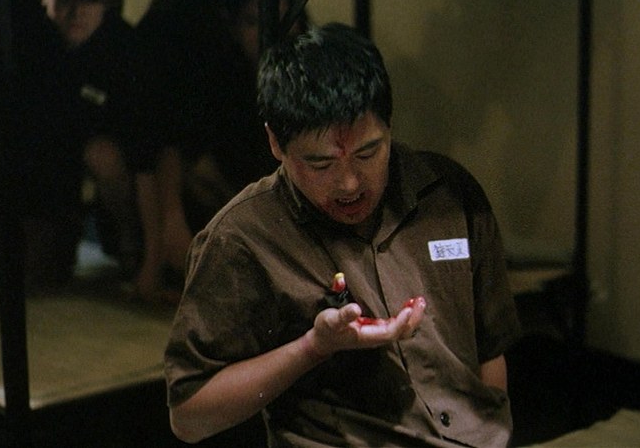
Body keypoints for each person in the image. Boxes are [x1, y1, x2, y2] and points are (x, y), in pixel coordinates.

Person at [164, 23, 522, 447]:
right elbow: (189, 417)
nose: (350, 184)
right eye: (321, 164)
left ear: (390, 125)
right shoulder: (241, 237)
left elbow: (490, 349)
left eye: (368, 152)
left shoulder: (449, 194)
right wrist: (314, 347)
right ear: (275, 142)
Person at [132, 0, 306, 301]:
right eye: (252, 22)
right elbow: (170, 145)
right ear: (234, 27)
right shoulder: (216, 77)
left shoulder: (308, 84)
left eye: (281, 23)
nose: (269, 33)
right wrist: (172, 222)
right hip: (225, 205)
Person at [0, 0, 153, 300]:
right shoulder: (29, 40)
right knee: (28, 273)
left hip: (101, 182)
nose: (76, 12)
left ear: (107, 2)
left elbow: (144, 149)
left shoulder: (122, 48)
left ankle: (129, 244)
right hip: (42, 185)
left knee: (102, 155)